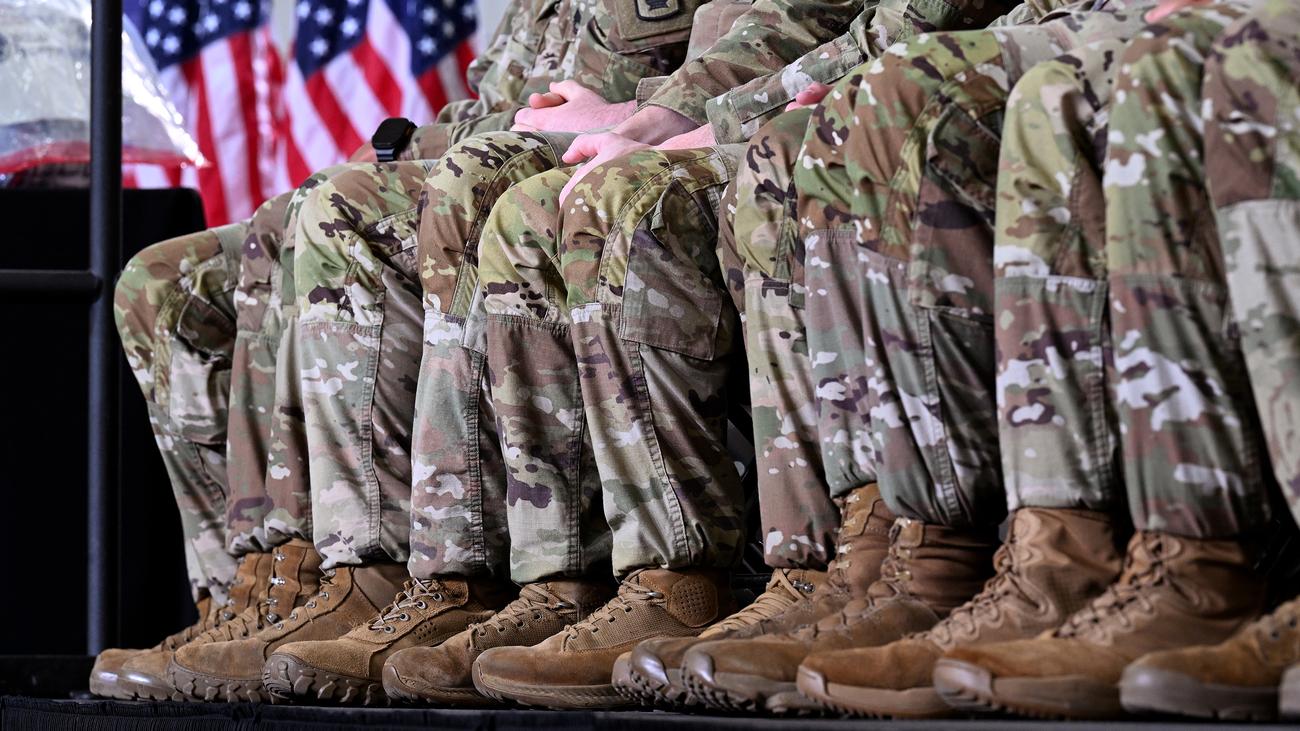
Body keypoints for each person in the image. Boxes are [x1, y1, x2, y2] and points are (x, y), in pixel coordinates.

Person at [93, 0, 701, 702]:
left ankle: (400, 574)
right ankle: (262, 580)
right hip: (495, 157)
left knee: (343, 211)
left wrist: (640, 118)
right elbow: (502, 103)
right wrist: (411, 144)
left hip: (609, 161)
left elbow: (700, 79)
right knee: (167, 280)